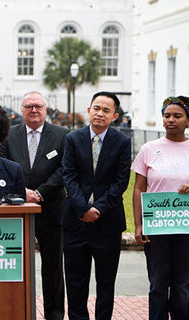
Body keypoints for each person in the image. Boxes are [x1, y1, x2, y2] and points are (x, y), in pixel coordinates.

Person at [0, 91, 68, 320]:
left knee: (53, 266)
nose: (34, 110)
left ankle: (54, 313)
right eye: (29, 106)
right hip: (17, 209)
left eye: (38, 106)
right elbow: (1, 167)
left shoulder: (62, 135)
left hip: (51, 209)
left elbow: (64, 170)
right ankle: (17, 311)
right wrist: (21, 193)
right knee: (15, 263)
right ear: (22, 109)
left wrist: (40, 193)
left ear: (46, 109)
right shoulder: (9, 135)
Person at [62, 91, 131, 320]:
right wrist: (83, 209)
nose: (100, 113)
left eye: (106, 110)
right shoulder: (72, 139)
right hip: (75, 222)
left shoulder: (122, 142)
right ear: (89, 110)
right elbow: (69, 177)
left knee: (106, 282)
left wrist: (98, 209)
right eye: (96, 108)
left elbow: (121, 181)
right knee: (75, 281)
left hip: (107, 223)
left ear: (115, 116)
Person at [131, 96, 189, 320]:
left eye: (177, 116)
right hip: (157, 226)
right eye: (167, 116)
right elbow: (138, 189)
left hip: (187, 229)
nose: (171, 120)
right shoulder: (149, 149)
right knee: (157, 284)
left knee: (182, 284)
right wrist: (139, 224)